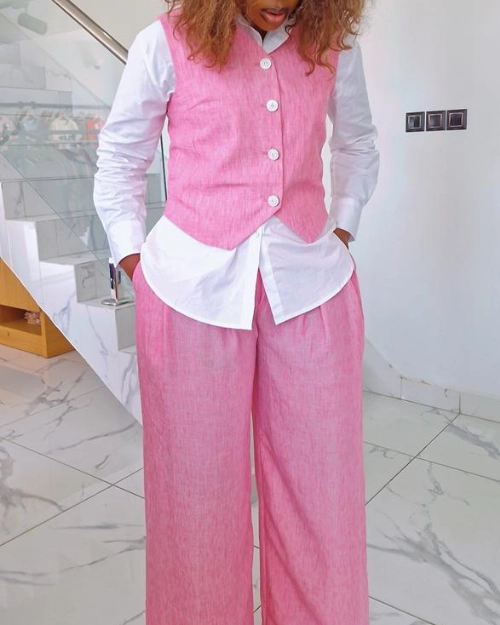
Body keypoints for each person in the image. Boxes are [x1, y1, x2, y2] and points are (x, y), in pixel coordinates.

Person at [94, 1, 379, 623]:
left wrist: (343, 229)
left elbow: (357, 141)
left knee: (323, 493)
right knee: (194, 501)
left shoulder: (332, 44)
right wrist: (135, 261)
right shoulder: (164, 42)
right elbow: (119, 156)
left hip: (310, 288)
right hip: (188, 294)